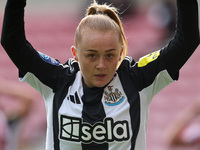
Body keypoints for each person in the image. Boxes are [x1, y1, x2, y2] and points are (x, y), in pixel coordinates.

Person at [1, 0, 199, 149]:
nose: (101, 65)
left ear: (121, 52)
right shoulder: (57, 80)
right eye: (92, 56)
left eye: (110, 55)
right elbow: (13, 42)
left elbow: (186, 41)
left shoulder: (138, 80)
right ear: (75, 54)